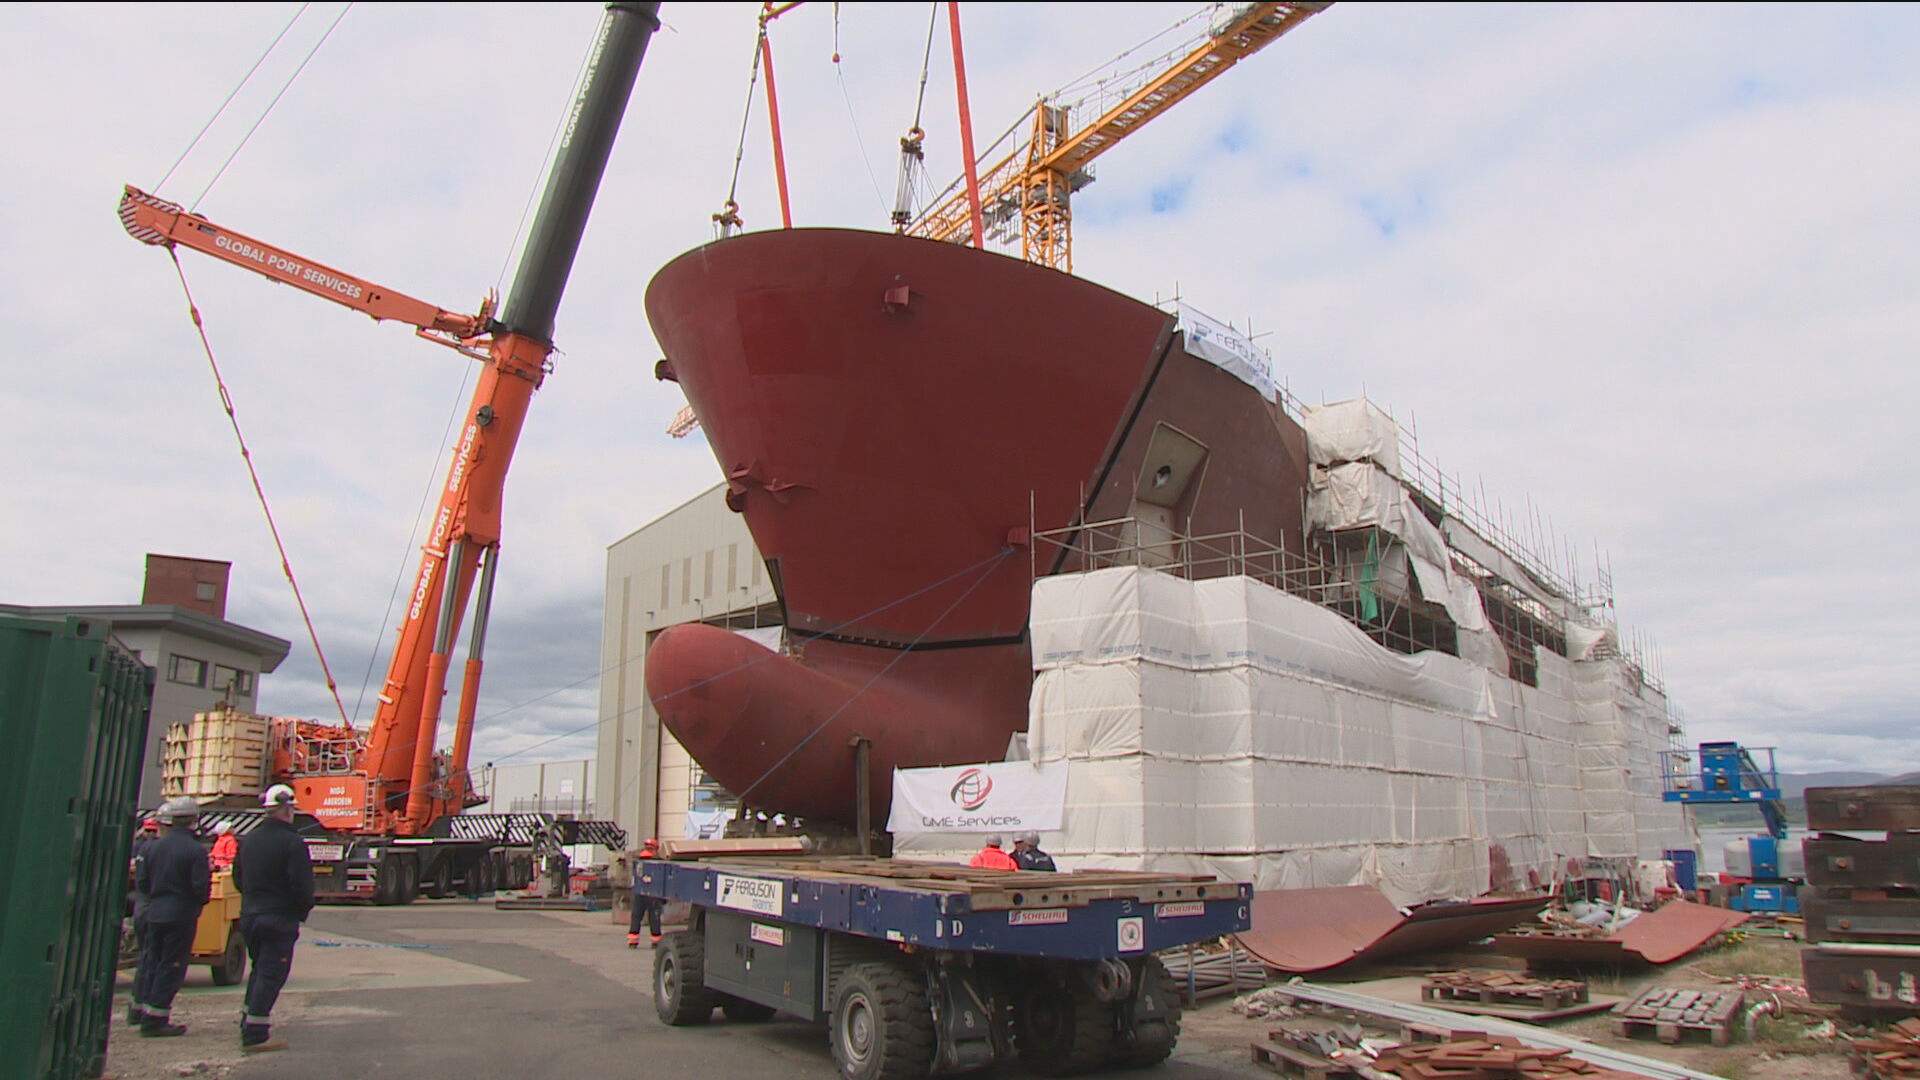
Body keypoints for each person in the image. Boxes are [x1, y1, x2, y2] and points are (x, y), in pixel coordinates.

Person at [232, 784, 314, 1052]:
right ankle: (255, 1033)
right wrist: (299, 912)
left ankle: (248, 1018)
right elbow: (302, 886)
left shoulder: (249, 840)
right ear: (289, 809)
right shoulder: (292, 843)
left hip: (251, 915)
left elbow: (238, 878)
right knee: (271, 973)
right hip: (278, 918)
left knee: (259, 969)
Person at [131, 798, 210, 1037]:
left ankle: (144, 1010)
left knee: (153, 962)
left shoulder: (153, 847)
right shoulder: (195, 850)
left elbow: (142, 882)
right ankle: (156, 1018)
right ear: (192, 821)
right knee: (172, 965)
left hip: (155, 911)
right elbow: (200, 888)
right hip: (180, 914)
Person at [627, 839, 662, 947]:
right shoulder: (657, 861)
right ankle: (656, 941)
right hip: (653, 893)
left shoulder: (638, 860)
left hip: (639, 892)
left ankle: (633, 941)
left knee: (636, 916)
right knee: (654, 917)